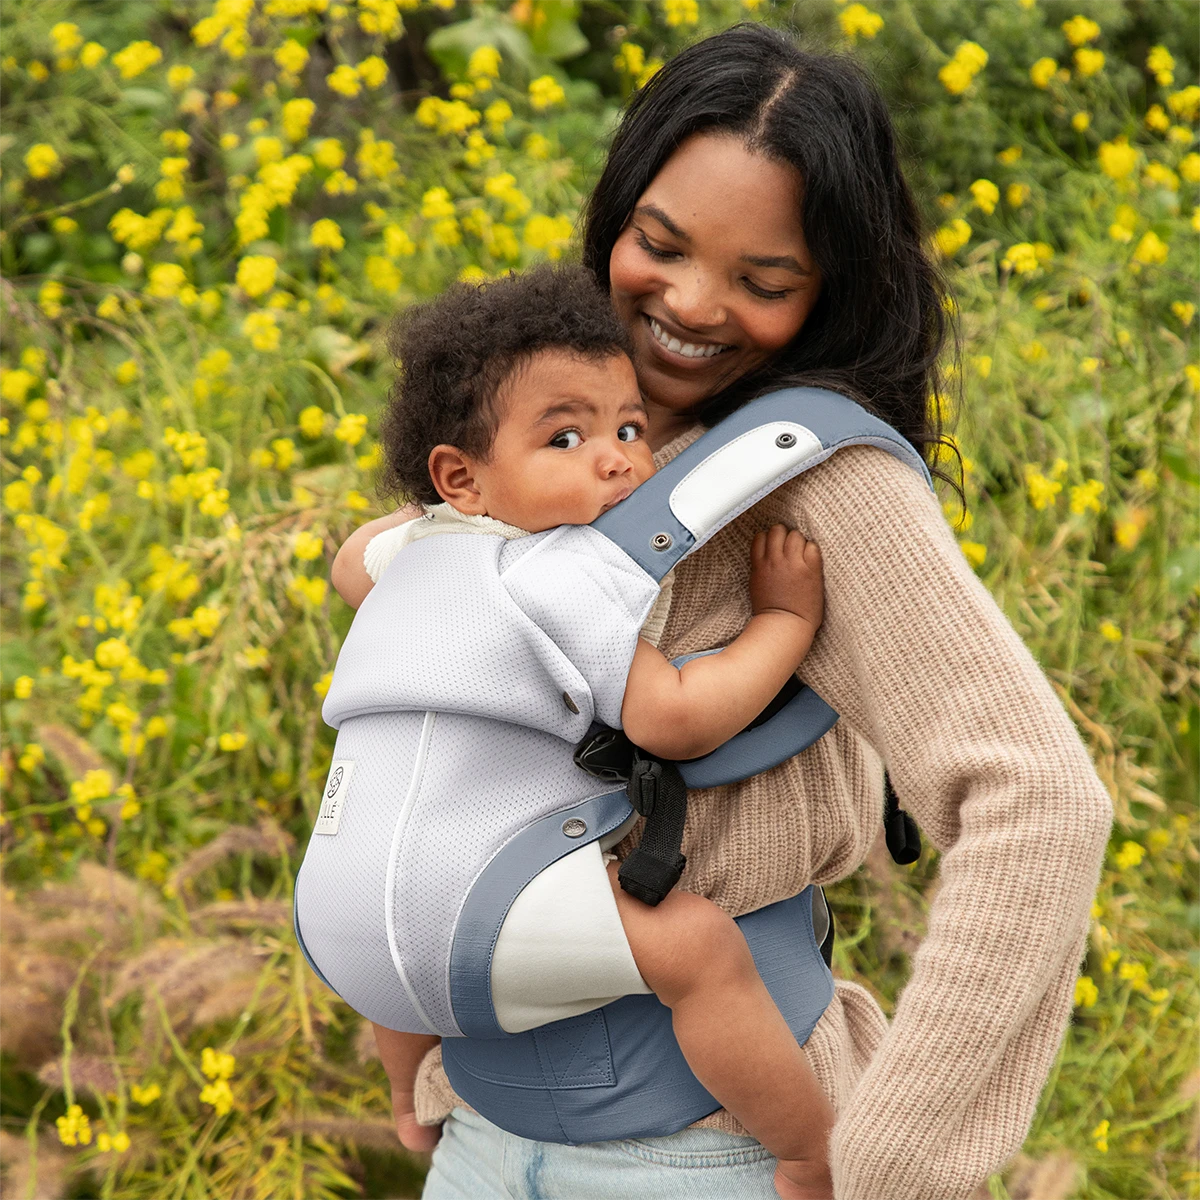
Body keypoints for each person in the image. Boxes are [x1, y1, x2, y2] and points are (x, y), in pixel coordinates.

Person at [332, 23, 1112, 1200]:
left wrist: (892, 1166)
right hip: (485, 1143)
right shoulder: (556, 432)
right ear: (616, 216)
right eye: (659, 245)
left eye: (764, 281)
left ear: (830, 293)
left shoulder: (819, 482)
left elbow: (1042, 803)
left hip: (707, 1156)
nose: (689, 305)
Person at [342, 263, 836, 1200]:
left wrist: (460, 503)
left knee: (394, 941)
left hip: (345, 897)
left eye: (629, 428)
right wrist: (785, 624)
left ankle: (410, 1097)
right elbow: (676, 718)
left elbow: (345, 564)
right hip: (475, 907)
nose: (617, 460)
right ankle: (807, 1145)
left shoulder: (416, 550)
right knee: (696, 949)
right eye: (565, 437)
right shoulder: (563, 570)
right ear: (463, 473)